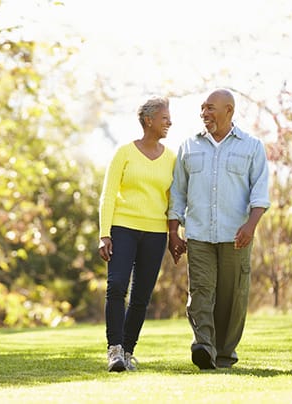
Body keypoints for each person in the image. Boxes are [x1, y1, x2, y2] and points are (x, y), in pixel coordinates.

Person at [168, 88, 270, 370]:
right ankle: (203, 346)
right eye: (202, 108)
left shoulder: (251, 146)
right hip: (199, 234)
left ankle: (224, 353)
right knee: (201, 291)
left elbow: (259, 192)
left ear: (229, 110)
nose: (204, 113)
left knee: (232, 296)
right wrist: (173, 231)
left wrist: (251, 225)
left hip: (236, 235)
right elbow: (177, 192)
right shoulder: (189, 146)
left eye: (210, 108)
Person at [98, 97, 176, 372]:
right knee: (117, 286)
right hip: (123, 228)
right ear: (148, 120)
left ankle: (128, 352)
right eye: (165, 117)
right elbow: (108, 195)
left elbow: (173, 200)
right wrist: (104, 234)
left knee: (141, 295)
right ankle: (115, 349)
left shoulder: (171, 158)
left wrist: (175, 233)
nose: (170, 122)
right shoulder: (124, 153)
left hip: (155, 233)